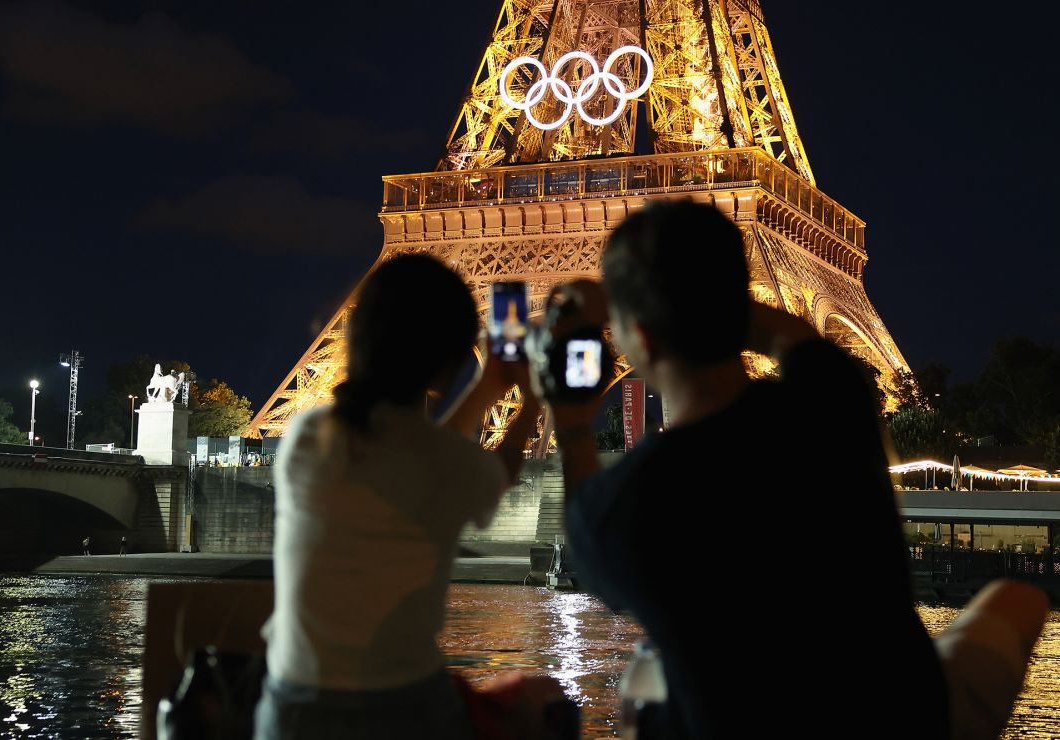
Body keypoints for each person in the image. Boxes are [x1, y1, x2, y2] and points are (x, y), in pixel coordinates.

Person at [541, 200, 1046, 739]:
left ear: (639, 339)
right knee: (1019, 599)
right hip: (906, 717)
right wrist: (706, 300)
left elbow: (582, 524)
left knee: (643, 696)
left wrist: (568, 418)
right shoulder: (833, 402)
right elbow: (797, 337)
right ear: (737, 303)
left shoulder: (622, 506)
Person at [255, 254, 543, 740]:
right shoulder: (444, 463)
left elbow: (421, 455)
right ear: (447, 366)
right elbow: (495, 465)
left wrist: (486, 388)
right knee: (539, 703)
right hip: (404, 711)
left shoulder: (307, 436)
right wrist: (532, 399)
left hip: (291, 709)